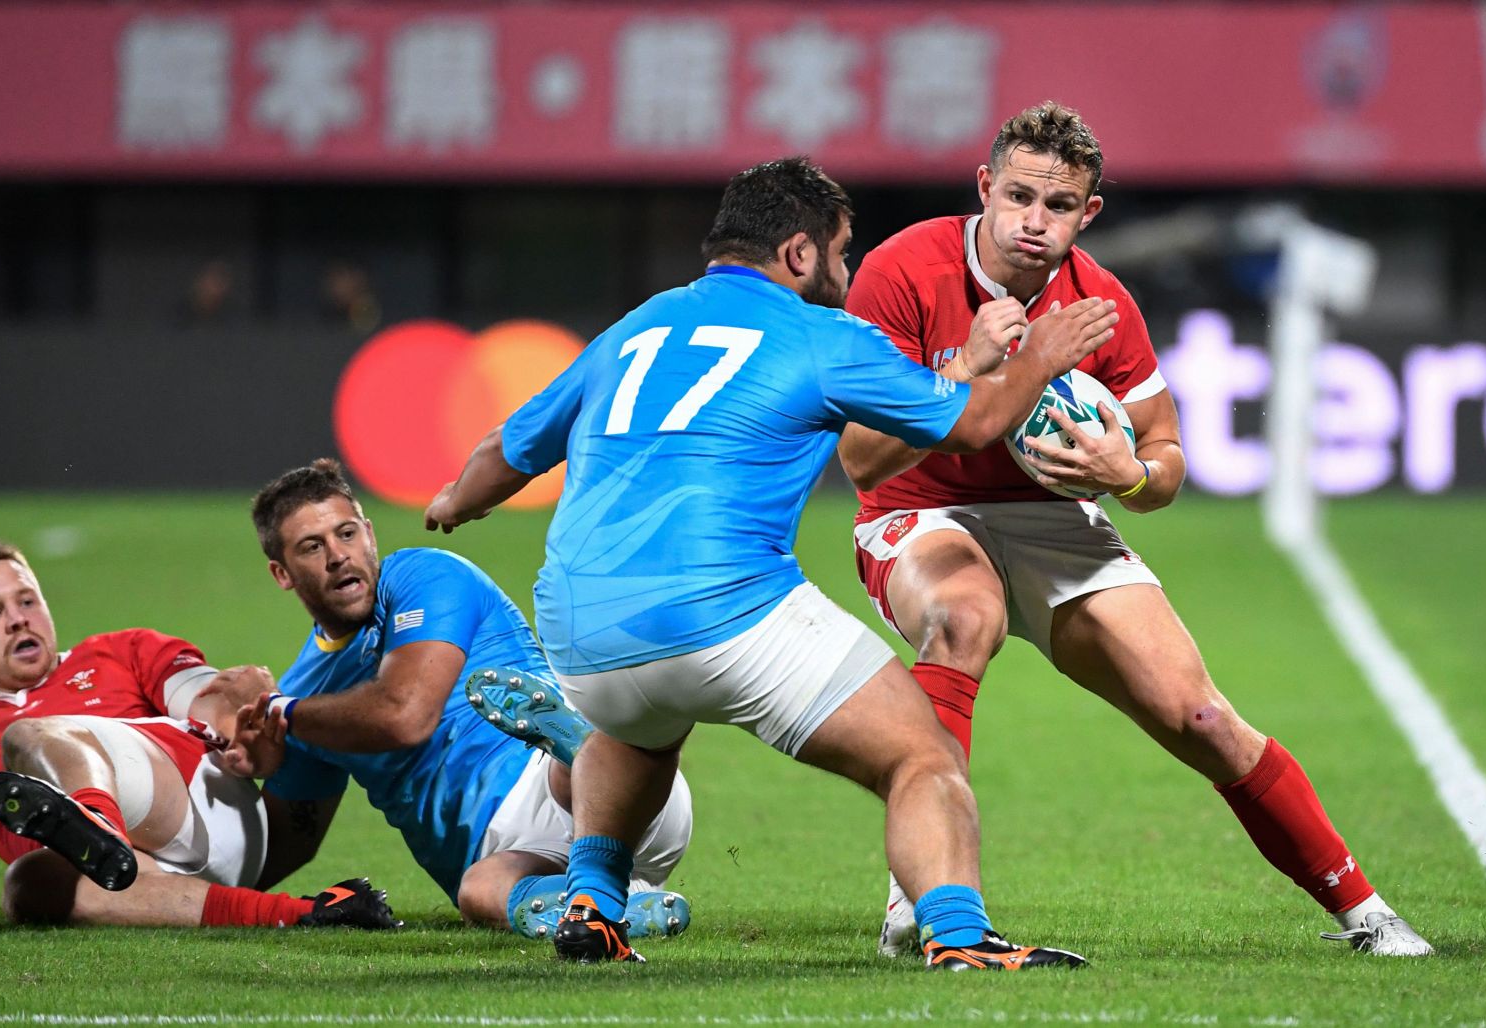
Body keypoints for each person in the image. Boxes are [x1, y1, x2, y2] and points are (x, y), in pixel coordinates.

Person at [423, 156, 1118, 968]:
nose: (847, 269)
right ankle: (960, 939)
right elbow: (967, 426)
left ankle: (593, 904)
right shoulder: (823, 335)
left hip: (580, 630)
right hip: (725, 612)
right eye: (841, 251)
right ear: (798, 253)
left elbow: (504, 452)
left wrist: (455, 504)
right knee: (921, 755)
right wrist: (1040, 357)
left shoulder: (637, 326)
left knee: (636, 731)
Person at [837, 101, 1431, 958]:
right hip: (919, 511)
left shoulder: (1100, 303)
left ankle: (1365, 911)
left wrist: (1132, 477)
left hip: (1052, 518)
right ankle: (921, 902)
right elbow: (861, 461)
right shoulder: (904, 268)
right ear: (984, 189)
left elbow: (1165, 459)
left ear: (1090, 214)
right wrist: (965, 364)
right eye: (1019, 197)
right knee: (964, 618)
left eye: (1060, 206)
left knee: (1201, 716)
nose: (1035, 222)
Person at [209, 459, 693, 941]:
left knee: (577, 768)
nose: (338, 556)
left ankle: (575, 743)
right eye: (312, 547)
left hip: (584, 788)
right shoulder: (302, 701)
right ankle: (608, 910)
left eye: (348, 534)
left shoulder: (424, 576)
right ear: (282, 573)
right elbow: (284, 844)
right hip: (526, 858)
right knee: (478, 892)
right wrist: (248, 772)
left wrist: (283, 712)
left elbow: (406, 715)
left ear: (371, 534)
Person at [0, 540, 397, 930]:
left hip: (210, 810)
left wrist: (239, 728)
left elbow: (209, 697)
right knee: (27, 883)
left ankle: (95, 820)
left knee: (28, 737)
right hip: (137, 879)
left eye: (27, 601)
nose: (18, 619)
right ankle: (315, 912)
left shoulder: (123, 652)